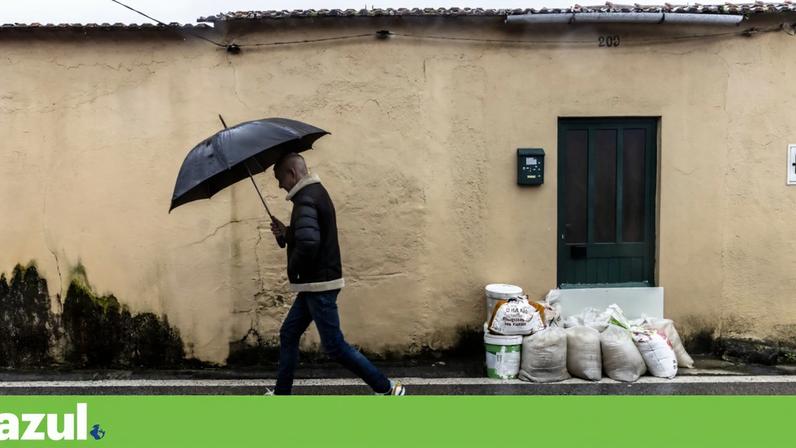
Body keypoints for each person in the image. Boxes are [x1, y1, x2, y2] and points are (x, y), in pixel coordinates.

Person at [269, 152, 405, 396]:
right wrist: (287, 234)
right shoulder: (313, 194)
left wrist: (293, 268)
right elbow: (308, 236)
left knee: (334, 346)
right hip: (315, 284)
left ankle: (387, 389)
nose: (280, 185)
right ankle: (281, 394)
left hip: (319, 285)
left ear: (292, 173)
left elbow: (309, 244)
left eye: (280, 178)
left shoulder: (305, 200)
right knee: (288, 333)